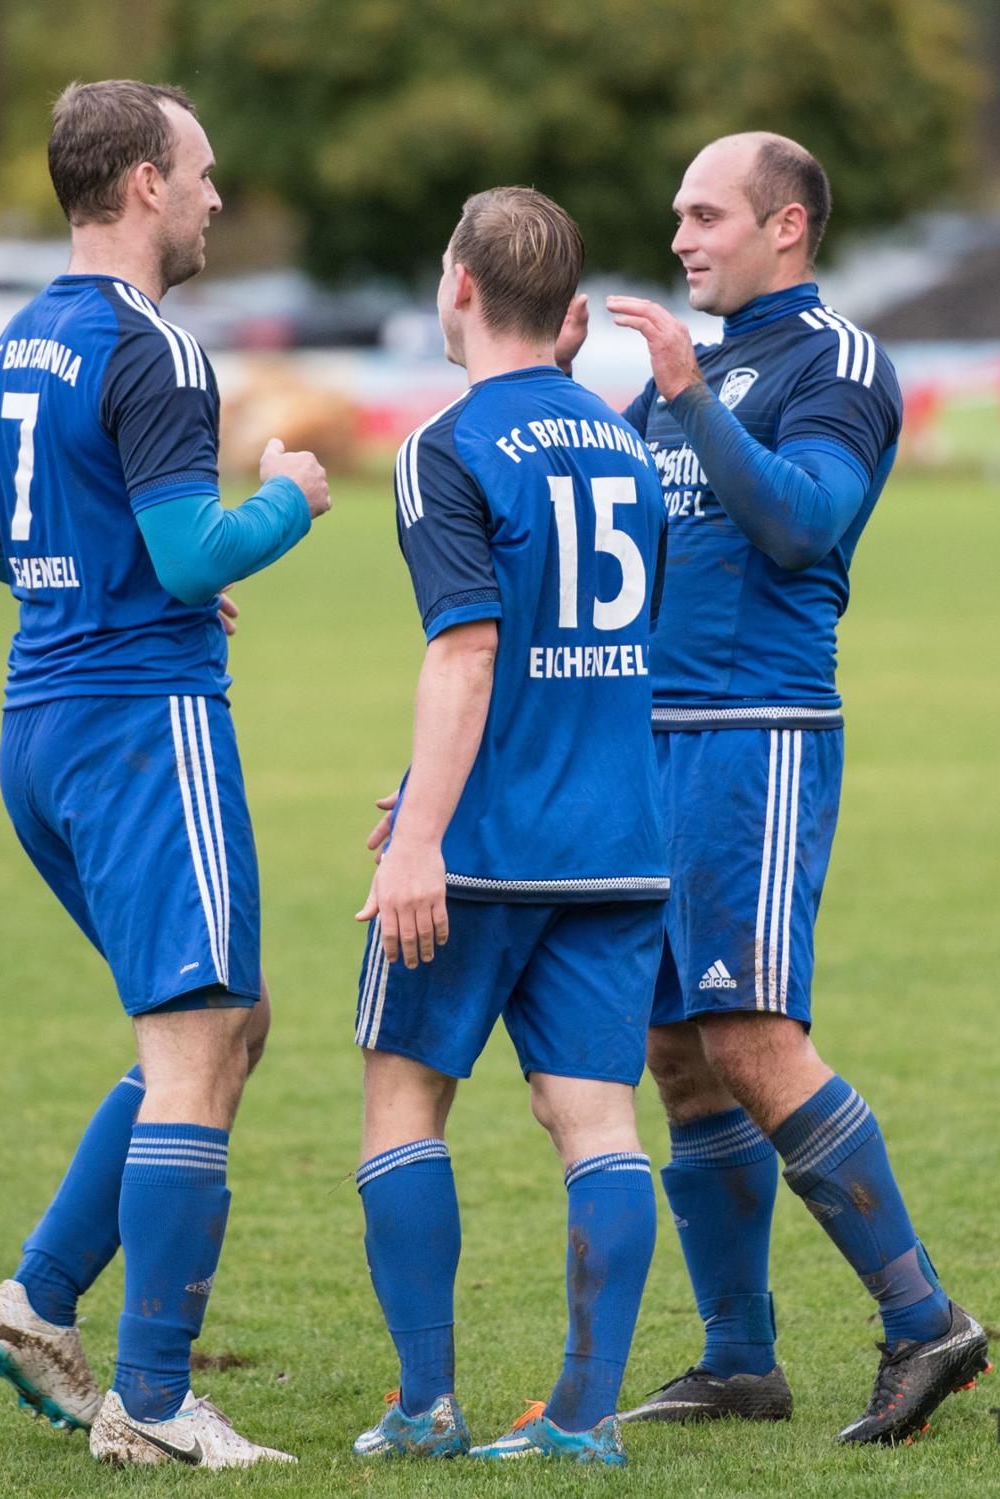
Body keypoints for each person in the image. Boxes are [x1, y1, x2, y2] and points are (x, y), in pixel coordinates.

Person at [556, 132, 989, 1445]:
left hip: (758, 731)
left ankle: (924, 1319)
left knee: (748, 1032)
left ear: (785, 225)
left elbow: (804, 524)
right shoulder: (687, 376)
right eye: (678, 215)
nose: (680, 238)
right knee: (677, 1048)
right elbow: (624, 547)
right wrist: (568, 395)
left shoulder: (834, 361)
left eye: (706, 215)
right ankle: (740, 1356)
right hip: (654, 738)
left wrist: (687, 396)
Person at [0, 79, 330, 1470]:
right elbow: (188, 554)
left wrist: (123, 576)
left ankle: (38, 1302)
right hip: (138, 731)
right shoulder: (156, 348)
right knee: (197, 1036)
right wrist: (288, 497)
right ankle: (157, 1401)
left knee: (229, 1017)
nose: (217, 195)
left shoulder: (19, 342)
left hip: (41, 730)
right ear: (143, 185)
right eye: (203, 171)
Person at [348, 187, 669, 1467]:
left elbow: (471, 651)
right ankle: (583, 1418)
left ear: (462, 286)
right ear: (567, 309)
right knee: (596, 1119)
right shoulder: (625, 443)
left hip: (481, 847)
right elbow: (591, 651)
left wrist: (421, 831)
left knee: (402, 1099)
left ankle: (426, 1404)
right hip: (618, 837)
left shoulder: (446, 443)